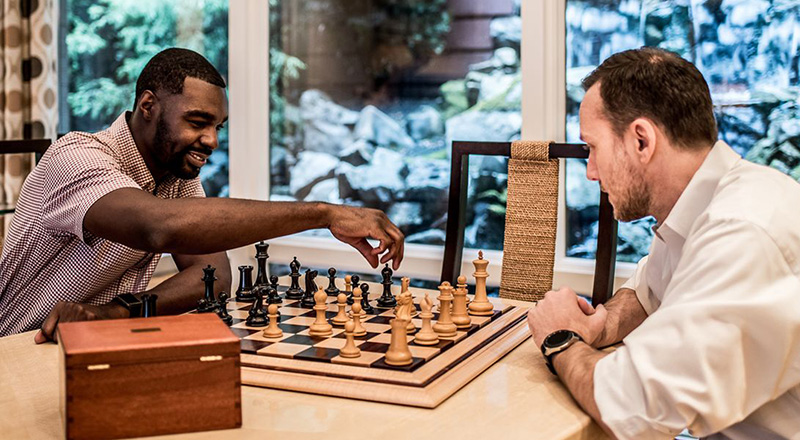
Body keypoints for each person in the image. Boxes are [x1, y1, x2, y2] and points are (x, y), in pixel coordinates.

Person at [0, 48, 404, 341]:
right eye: (197, 122)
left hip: (90, 340)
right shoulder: (77, 155)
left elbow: (213, 276)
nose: (210, 140)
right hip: (17, 347)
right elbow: (158, 227)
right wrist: (323, 213)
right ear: (148, 106)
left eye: (218, 127)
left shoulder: (175, 176)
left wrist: (116, 310)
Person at [527, 47, 800, 439]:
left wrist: (560, 339)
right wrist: (602, 328)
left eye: (592, 148)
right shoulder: (705, 204)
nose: (589, 171)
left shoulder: (741, 232)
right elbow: (647, 289)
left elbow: (633, 409)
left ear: (641, 140)